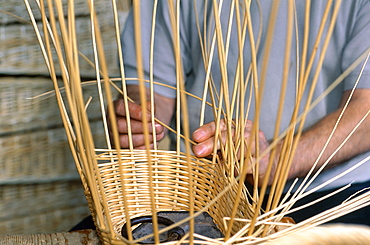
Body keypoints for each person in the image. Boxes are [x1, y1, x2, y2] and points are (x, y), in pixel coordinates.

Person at [108, 0, 370, 227]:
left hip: (334, 195)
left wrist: (275, 161)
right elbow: (152, 86)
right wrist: (141, 117)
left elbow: (365, 113)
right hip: (206, 190)